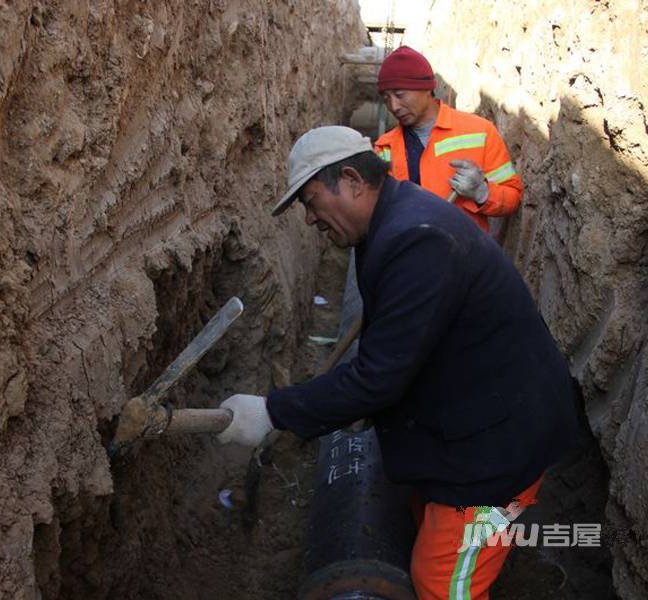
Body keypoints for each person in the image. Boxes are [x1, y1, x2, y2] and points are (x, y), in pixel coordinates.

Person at [218, 126, 579, 600]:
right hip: (465, 414)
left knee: (441, 586)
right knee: (417, 522)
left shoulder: (417, 240)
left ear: (351, 180)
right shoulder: (394, 222)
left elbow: (377, 378)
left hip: (496, 452)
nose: (308, 220)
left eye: (310, 200)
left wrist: (273, 412)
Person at [374, 46, 522, 232]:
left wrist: (483, 193)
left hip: (463, 254)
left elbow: (512, 197)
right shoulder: (384, 147)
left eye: (400, 95)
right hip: (408, 253)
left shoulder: (479, 132)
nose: (394, 106)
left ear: (426, 88)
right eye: (386, 98)